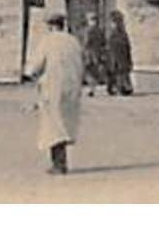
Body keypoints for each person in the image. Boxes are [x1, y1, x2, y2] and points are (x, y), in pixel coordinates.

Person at [26, 12, 84, 175]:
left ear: (50, 26)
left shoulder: (47, 41)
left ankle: (59, 164)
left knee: (53, 126)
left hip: (53, 88)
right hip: (72, 87)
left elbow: (35, 66)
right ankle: (61, 161)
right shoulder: (73, 41)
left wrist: (30, 73)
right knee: (65, 123)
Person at [105, 11, 134, 96]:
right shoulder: (122, 34)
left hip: (117, 59)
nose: (111, 24)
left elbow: (115, 48)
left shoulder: (116, 34)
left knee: (119, 74)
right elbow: (127, 47)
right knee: (121, 74)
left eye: (112, 22)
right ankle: (123, 88)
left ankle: (121, 88)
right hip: (120, 59)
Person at [81, 13, 108, 97]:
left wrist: (82, 50)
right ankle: (93, 88)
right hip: (97, 54)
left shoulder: (88, 31)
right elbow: (104, 42)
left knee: (89, 72)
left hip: (89, 54)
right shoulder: (100, 30)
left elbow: (86, 43)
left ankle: (91, 89)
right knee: (95, 71)